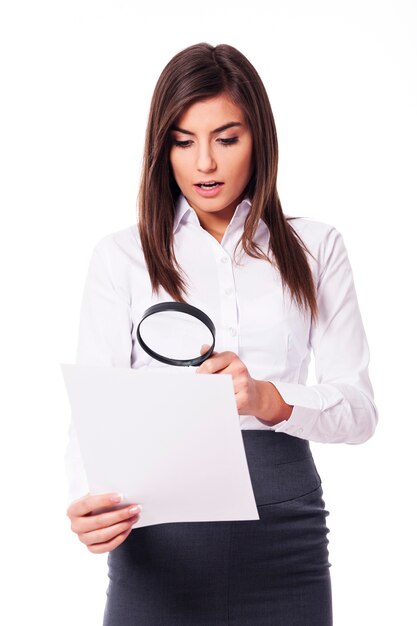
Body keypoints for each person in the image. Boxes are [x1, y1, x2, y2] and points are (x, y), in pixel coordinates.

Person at [65, 42, 378, 625]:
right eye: (184, 142)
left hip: (286, 541)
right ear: (163, 149)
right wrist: (87, 503)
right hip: (157, 544)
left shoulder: (316, 248)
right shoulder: (121, 257)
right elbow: (94, 417)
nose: (204, 163)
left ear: (259, 138)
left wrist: (270, 398)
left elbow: (360, 411)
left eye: (226, 139)